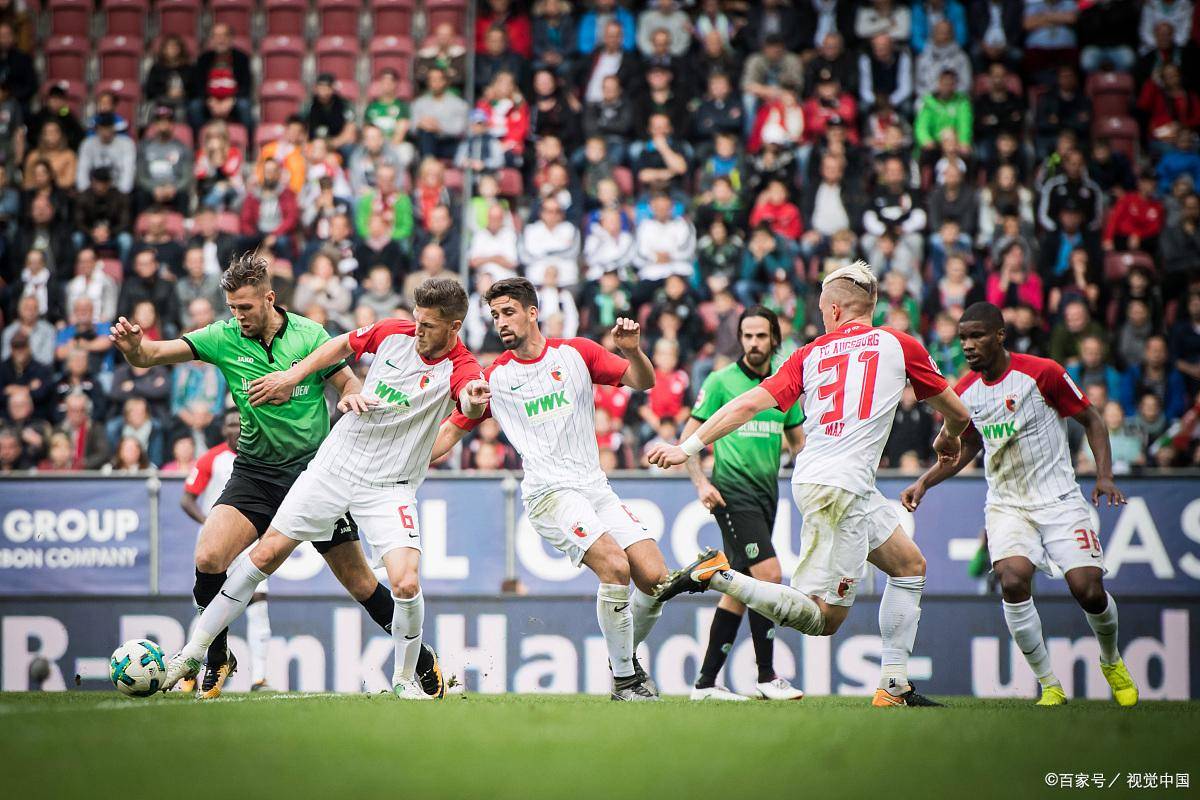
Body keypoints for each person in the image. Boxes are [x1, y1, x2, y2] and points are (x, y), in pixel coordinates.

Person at [108, 253, 441, 699]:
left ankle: (422, 660)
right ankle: (218, 656)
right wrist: (134, 347)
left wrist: (351, 398)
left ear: (269, 298)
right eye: (232, 308)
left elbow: (347, 382)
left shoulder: (309, 335)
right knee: (209, 557)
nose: (238, 316)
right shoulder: (223, 337)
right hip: (256, 473)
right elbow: (150, 355)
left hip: (316, 475)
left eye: (245, 307)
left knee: (362, 584)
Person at [648, 261, 971, 707]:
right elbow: (959, 413)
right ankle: (719, 576)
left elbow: (746, 405)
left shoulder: (810, 353)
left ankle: (894, 684)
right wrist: (948, 437)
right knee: (824, 621)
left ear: (835, 309)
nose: (822, 318)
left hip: (831, 482)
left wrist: (687, 447)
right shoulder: (900, 345)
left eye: (822, 310)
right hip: (842, 488)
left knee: (909, 566)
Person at [430, 277, 668, 701]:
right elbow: (449, 433)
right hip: (549, 495)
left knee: (655, 579)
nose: (501, 322)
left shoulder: (576, 353)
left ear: (532, 312)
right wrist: (404, 459)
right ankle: (625, 680)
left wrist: (632, 351)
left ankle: (623, 657)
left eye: (508, 312)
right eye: (495, 315)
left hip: (595, 487)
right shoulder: (493, 378)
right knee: (615, 567)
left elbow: (642, 381)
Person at [901, 301, 1138, 707]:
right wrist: (924, 482)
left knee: (1088, 590)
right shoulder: (964, 392)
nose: (968, 345)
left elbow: (1093, 420)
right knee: (1012, 581)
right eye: (963, 338)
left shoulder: (1043, 373)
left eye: (977, 336)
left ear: (999, 336)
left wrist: (1104, 476)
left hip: (1060, 500)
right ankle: (1049, 684)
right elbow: (968, 446)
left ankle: (1111, 659)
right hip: (1007, 505)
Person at [682, 307, 806, 701]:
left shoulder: (784, 384)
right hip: (731, 493)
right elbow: (688, 439)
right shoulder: (721, 381)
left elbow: (799, 443)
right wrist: (701, 483)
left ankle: (705, 684)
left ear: (774, 339)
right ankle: (767, 676)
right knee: (768, 575)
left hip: (767, 494)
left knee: (740, 589)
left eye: (761, 336)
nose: (753, 343)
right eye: (747, 336)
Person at [181, 408, 274, 692]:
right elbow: (187, 499)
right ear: (223, 430)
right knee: (206, 609)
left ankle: (259, 678)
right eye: (230, 424)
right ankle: (190, 673)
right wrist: (210, 523)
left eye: (239, 422)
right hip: (216, 546)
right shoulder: (212, 458)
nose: (235, 428)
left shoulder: (261, 456)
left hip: (249, 542)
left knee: (258, 605)